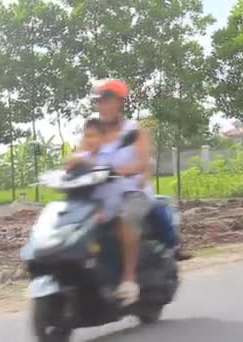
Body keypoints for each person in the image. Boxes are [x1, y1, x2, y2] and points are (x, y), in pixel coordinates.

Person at [72, 79, 153, 306]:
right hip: (101, 195)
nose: (102, 106)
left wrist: (120, 170)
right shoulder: (93, 132)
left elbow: (142, 163)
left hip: (133, 191)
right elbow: (79, 156)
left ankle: (129, 280)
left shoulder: (135, 131)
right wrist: (68, 167)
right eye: (99, 102)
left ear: (119, 103)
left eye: (107, 101)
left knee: (125, 219)